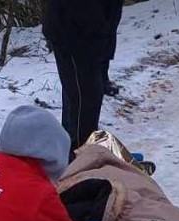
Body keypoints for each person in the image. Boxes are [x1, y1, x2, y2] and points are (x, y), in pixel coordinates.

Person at [42, 0, 124, 158]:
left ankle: (75, 154)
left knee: (84, 96)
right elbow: (81, 8)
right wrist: (99, 32)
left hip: (89, 35)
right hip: (75, 35)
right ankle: (78, 159)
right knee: (83, 99)